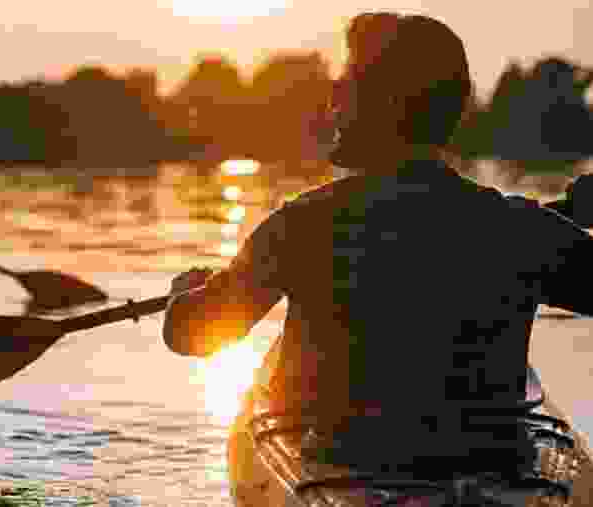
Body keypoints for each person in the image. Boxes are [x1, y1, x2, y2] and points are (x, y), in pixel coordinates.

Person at [163, 9, 593, 498]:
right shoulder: (521, 228)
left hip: (349, 466)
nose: (332, 100)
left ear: (375, 105)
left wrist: (184, 294)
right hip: (497, 468)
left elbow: (191, 335)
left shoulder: (304, 225)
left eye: (344, 86)